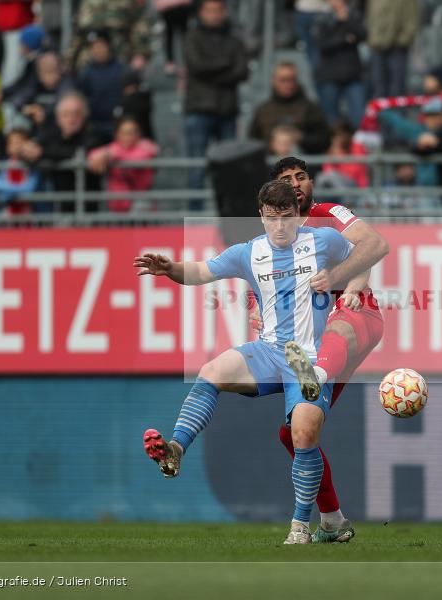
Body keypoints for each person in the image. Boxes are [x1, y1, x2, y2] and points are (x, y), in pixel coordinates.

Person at [137, 180, 355, 545]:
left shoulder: (323, 241)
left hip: (309, 357)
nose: (279, 226)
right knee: (211, 372)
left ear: (298, 215)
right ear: (261, 216)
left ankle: (301, 527)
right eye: (271, 218)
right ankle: (175, 449)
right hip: (271, 350)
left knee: (303, 433)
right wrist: (169, 268)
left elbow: (361, 256)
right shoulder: (249, 252)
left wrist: (346, 288)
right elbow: (202, 271)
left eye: (286, 217)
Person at [269, 156, 389, 542]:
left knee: (336, 326)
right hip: (312, 343)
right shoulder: (273, 241)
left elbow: (370, 246)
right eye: (286, 180)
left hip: (356, 316)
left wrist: (351, 287)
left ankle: (313, 377)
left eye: (301, 177)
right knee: (294, 432)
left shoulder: (329, 212)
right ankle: (333, 521)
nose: (296, 184)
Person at [183, 0, 248, 195]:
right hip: (198, 110)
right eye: (210, 10)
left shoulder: (234, 40)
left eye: (219, 10)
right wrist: (226, 64)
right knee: (197, 167)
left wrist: (210, 70)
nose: (215, 14)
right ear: (201, 13)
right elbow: (196, 66)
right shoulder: (192, 37)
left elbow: (242, 72)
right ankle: (194, 218)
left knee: (229, 168)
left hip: (227, 110)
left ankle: (228, 217)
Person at [20, 91, 104, 208]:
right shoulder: (51, 134)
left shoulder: (92, 134)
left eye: (76, 114)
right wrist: (28, 151)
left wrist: (43, 153)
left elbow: (77, 152)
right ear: (58, 117)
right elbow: (32, 151)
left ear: (84, 116)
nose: (71, 119)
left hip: (88, 207)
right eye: (66, 114)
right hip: (58, 206)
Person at [248, 62, 330, 154]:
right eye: (283, 80)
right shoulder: (263, 110)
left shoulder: (310, 108)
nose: (288, 84)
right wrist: (271, 146)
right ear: (273, 81)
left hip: (304, 163)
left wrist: (301, 138)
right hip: (269, 164)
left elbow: (324, 140)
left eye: (292, 79)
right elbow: (251, 143)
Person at [312, 0, 366, 127]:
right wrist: (344, 35)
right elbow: (322, 43)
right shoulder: (321, 17)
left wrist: (347, 21)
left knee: (359, 117)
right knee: (331, 120)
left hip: (352, 74)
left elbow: (363, 35)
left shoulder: (353, 15)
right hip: (329, 75)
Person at [87, 116, 159, 212]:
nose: (128, 137)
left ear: (139, 134)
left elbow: (141, 157)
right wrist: (105, 155)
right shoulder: (114, 148)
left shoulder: (145, 146)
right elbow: (93, 155)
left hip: (140, 206)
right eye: (124, 133)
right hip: (117, 206)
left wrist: (113, 156)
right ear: (117, 134)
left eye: (132, 132)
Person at [66, 0, 151, 71]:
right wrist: (68, 61)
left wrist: (140, 52)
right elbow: (78, 33)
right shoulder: (86, 2)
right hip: (88, 58)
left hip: (119, 53)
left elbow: (140, 23)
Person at [366, 0, 419, 98]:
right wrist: (371, 37)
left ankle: (395, 113)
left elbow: (412, 18)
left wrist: (404, 39)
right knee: (378, 88)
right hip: (376, 44)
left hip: (397, 46)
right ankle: (381, 113)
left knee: (397, 89)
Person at [0, 127, 40, 215]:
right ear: (8, 147)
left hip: (28, 215)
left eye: (20, 142)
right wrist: (16, 193)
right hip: (9, 214)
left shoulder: (32, 165)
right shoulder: (5, 165)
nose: (17, 146)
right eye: (14, 143)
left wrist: (7, 194)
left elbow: (29, 188)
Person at [153, 0, 193, 75]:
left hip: (182, 14)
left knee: (186, 39)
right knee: (169, 39)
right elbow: (159, 5)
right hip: (168, 16)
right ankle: (170, 62)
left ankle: (186, 63)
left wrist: (170, 3)